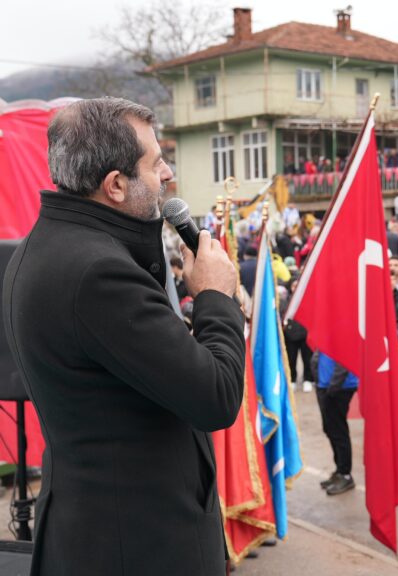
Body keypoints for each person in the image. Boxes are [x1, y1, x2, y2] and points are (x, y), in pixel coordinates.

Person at [2, 97, 244, 575]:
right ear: (115, 185)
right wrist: (216, 297)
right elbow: (216, 396)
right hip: (134, 545)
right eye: (155, 164)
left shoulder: (46, 245)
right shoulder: (99, 274)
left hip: (100, 530)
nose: (168, 175)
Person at [315, 352, 358, 495]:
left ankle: (345, 474)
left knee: (339, 431)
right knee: (330, 429)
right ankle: (339, 470)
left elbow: (344, 361)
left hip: (339, 388)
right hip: (324, 385)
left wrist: (332, 387)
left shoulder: (340, 332)